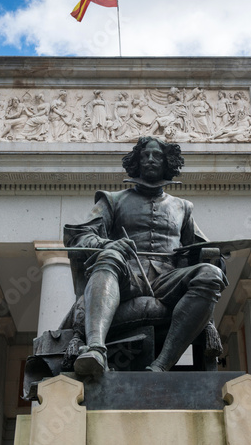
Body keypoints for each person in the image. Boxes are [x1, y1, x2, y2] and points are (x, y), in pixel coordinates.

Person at [64, 137, 228, 375]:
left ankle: (161, 365)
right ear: (136, 162)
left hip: (168, 279)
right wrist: (107, 244)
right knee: (109, 256)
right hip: (126, 275)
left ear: (167, 162)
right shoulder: (112, 200)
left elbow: (200, 248)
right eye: (145, 156)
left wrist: (216, 256)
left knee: (211, 274)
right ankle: (95, 350)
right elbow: (78, 237)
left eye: (157, 156)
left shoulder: (183, 207)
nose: (150, 160)